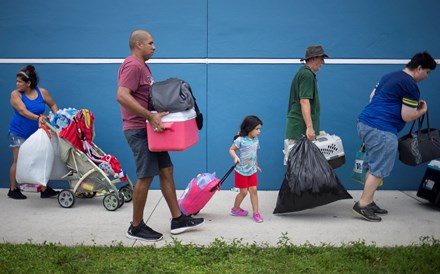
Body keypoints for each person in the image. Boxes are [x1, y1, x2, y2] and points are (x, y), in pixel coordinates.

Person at [116, 29, 204, 242]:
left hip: (151, 129)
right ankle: (135, 227)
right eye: (151, 43)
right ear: (139, 44)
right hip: (138, 130)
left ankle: (177, 219)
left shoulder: (143, 67)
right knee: (145, 176)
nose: (154, 47)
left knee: (166, 169)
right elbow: (121, 95)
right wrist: (150, 116)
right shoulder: (133, 65)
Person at [353, 51, 437, 222]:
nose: (427, 76)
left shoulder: (389, 76)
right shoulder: (410, 85)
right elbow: (407, 116)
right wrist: (422, 110)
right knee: (379, 168)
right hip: (381, 129)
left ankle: (368, 201)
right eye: (427, 72)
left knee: (374, 166)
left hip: (365, 122)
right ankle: (362, 205)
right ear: (419, 68)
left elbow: (372, 97)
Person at [8, 65, 60, 199]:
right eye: (17, 81)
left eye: (20, 81)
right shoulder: (16, 94)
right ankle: (13, 189)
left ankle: (44, 189)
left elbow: (53, 104)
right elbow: (23, 111)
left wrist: (57, 116)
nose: (17, 84)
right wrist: (39, 117)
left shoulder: (42, 92)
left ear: (28, 83)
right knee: (18, 160)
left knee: (42, 159)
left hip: (37, 133)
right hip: (19, 132)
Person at [284, 45, 329, 164]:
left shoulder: (305, 74)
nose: (323, 62)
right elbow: (304, 101)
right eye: (321, 58)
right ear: (313, 58)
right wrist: (309, 127)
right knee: (299, 167)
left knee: (301, 167)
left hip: (300, 127)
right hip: (301, 128)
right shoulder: (306, 75)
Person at [229, 115, 264, 223]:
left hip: (252, 170)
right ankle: (235, 209)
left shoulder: (256, 140)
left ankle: (256, 213)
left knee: (253, 190)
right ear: (249, 128)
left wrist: (256, 164)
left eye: (260, 129)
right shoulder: (240, 140)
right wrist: (235, 157)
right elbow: (231, 150)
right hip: (241, 171)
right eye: (257, 129)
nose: (259, 132)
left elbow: (254, 154)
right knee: (243, 192)